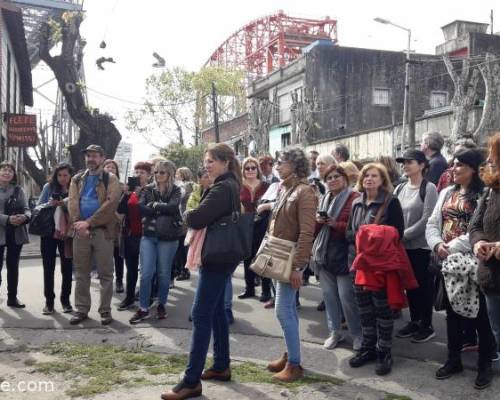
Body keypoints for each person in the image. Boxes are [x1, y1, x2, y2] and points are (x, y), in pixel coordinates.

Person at [161, 144, 242, 400]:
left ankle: (191, 380)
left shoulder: (221, 187)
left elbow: (195, 219)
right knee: (216, 311)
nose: (207, 165)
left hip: (216, 256)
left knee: (200, 314)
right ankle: (221, 365)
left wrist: (187, 210)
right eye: (206, 161)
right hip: (222, 254)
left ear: (226, 162)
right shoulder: (227, 184)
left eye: (212, 161)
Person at [426, 148, 496, 389]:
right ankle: (453, 359)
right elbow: (433, 223)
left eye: (459, 165)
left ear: (474, 170)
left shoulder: (485, 195)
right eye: (453, 164)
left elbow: (480, 229)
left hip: (476, 262)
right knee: (452, 314)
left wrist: (452, 245)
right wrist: (436, 244)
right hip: (448, 265)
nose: (453, 169)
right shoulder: (446, 192)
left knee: (481, 317)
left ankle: (484, 365)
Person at [347, 163, 405, 376]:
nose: (369, 179)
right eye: (366, 176)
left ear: (382, 180)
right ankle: (368, 348)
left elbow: (399, 233)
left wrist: (374, 237)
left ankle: (384, 351)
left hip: (380, 267)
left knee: (383, 311)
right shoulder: (356, 202)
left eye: (374, 176)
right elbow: (348, 233)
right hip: (359, 264)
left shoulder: (391, 202)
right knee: (364, 310)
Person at [265, 148, 317, 382]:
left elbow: (307, 232)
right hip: (279, 254)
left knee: (283, 310)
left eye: (282, 161)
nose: (277, 165)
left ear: (295, 165)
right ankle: (291, 355)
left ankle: (295, 364)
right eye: (277, 161)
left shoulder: (305, 191)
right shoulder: (285, 188)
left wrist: (299, 266)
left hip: (292, 257)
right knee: (288, 310)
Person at [68, 145, 122, 325]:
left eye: (95, 156)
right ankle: (81, 309)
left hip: (102, 231)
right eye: (88, 155)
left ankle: (105, 311)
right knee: (81, 273)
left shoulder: (111, 179)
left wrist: (88, 223)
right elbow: (73, 203)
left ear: (102, 157)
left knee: (105, 273)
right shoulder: (76, 179)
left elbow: (110, 204)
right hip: (80, 231)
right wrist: (78, 223)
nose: (91, 159)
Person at [312, 164, 362, 351]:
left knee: (346, 297)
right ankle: (335, 333)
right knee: (329, 296)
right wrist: (319, 222)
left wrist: (335, 224)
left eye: (336, 176)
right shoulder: (324, 199)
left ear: (345, 178)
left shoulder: (354, 198)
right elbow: (316, 231)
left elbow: (355, 228)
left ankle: (357, 334)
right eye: (329, 178)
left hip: (344, 254)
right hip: (324, 253)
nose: (332, 180)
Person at [129, 160, 182, 324]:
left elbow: (173, 207)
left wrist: (155, 205)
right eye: (157, 172)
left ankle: (161, 304)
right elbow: (140, 208)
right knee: (146, 274)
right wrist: (160, 208)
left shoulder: (176, 190)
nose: (158, 175)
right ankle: (143, 308)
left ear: (170, 174)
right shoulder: (148, 189)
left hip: (168, 237)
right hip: (149, 235)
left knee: (163, 274)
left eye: (162, 172)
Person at [394, 150, 438, 342]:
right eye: (403, 162)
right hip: (402, 247)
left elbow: (428, 218)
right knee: (409, 286)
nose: (405, 165)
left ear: (422, 165)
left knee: (423, 287)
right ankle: (414, 320)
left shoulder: (429, 188)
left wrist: (404, 235)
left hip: (420, 247)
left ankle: (426, 325)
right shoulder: (400, 188)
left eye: (409, 162)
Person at [470, 133, 500, 363]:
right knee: (498, 331)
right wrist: (479, 242)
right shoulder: (491, 190)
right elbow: (475, 225)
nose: (489, 158)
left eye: (494, 152)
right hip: (492, 275)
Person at [38, 163, 74, 314]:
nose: (62, 178)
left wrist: (65, 205)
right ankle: (49, 302)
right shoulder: (49, 187)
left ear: (70, 175)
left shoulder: (75, 187)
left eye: (65, 175)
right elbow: (38, 207)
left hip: (67, 233)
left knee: (67, 268)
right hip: (48, 232)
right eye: (59, 175)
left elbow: (79, 208)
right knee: (48, 268)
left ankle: (65, 301)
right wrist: (50, 204)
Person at [116, 161, 152, 311]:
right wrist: (126, 195)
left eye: (142, 172)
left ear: (149, 176)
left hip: (146, 235)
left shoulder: (151, 191)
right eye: (136, 172)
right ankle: (129, 297)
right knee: (130, 269)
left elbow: (148, 211)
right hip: (129, 234)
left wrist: (136, 196)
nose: (138, 175)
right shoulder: (128, 192)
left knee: (147, 270)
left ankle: (147, 297)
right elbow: (121, 210)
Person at [0, 162, 31, 308]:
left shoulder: (19, 190)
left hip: (15, 232)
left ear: (14, 174)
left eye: (10, 170)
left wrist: (25, 217)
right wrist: (7, 219)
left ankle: (12, 298)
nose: (7, 172)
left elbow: (27, 209)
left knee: (13, 267)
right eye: (4, 170)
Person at [238, 157, 268, 300]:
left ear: (258, 169)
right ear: (243, 170)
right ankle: (249, 288)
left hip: (262, 224)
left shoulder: (266, 185)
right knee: (247, 257)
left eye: (253, 167)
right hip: (244, 224)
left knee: (263, 256)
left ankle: (266, 290)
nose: (250, 170)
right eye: (247, 168)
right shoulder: (238, 186)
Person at [103, 159, 124, 293]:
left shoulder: (122, 186)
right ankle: (106, 281)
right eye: (108, 167)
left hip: (117, 224)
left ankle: (119, 280)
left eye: (113, 168)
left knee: (118, 255)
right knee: (104, 256)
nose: (110, 169)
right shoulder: (98, 184)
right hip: (102, 223)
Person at [174, 167, 195, 282]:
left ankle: (184, 270)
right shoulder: (192, 185)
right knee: (182, 247)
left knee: (181, 247)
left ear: (182, 175)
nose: (176, 176)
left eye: (177, 174)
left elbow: (180, 199)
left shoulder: (185, 186)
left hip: (183, 219)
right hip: (186, 218)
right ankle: (182, 269)